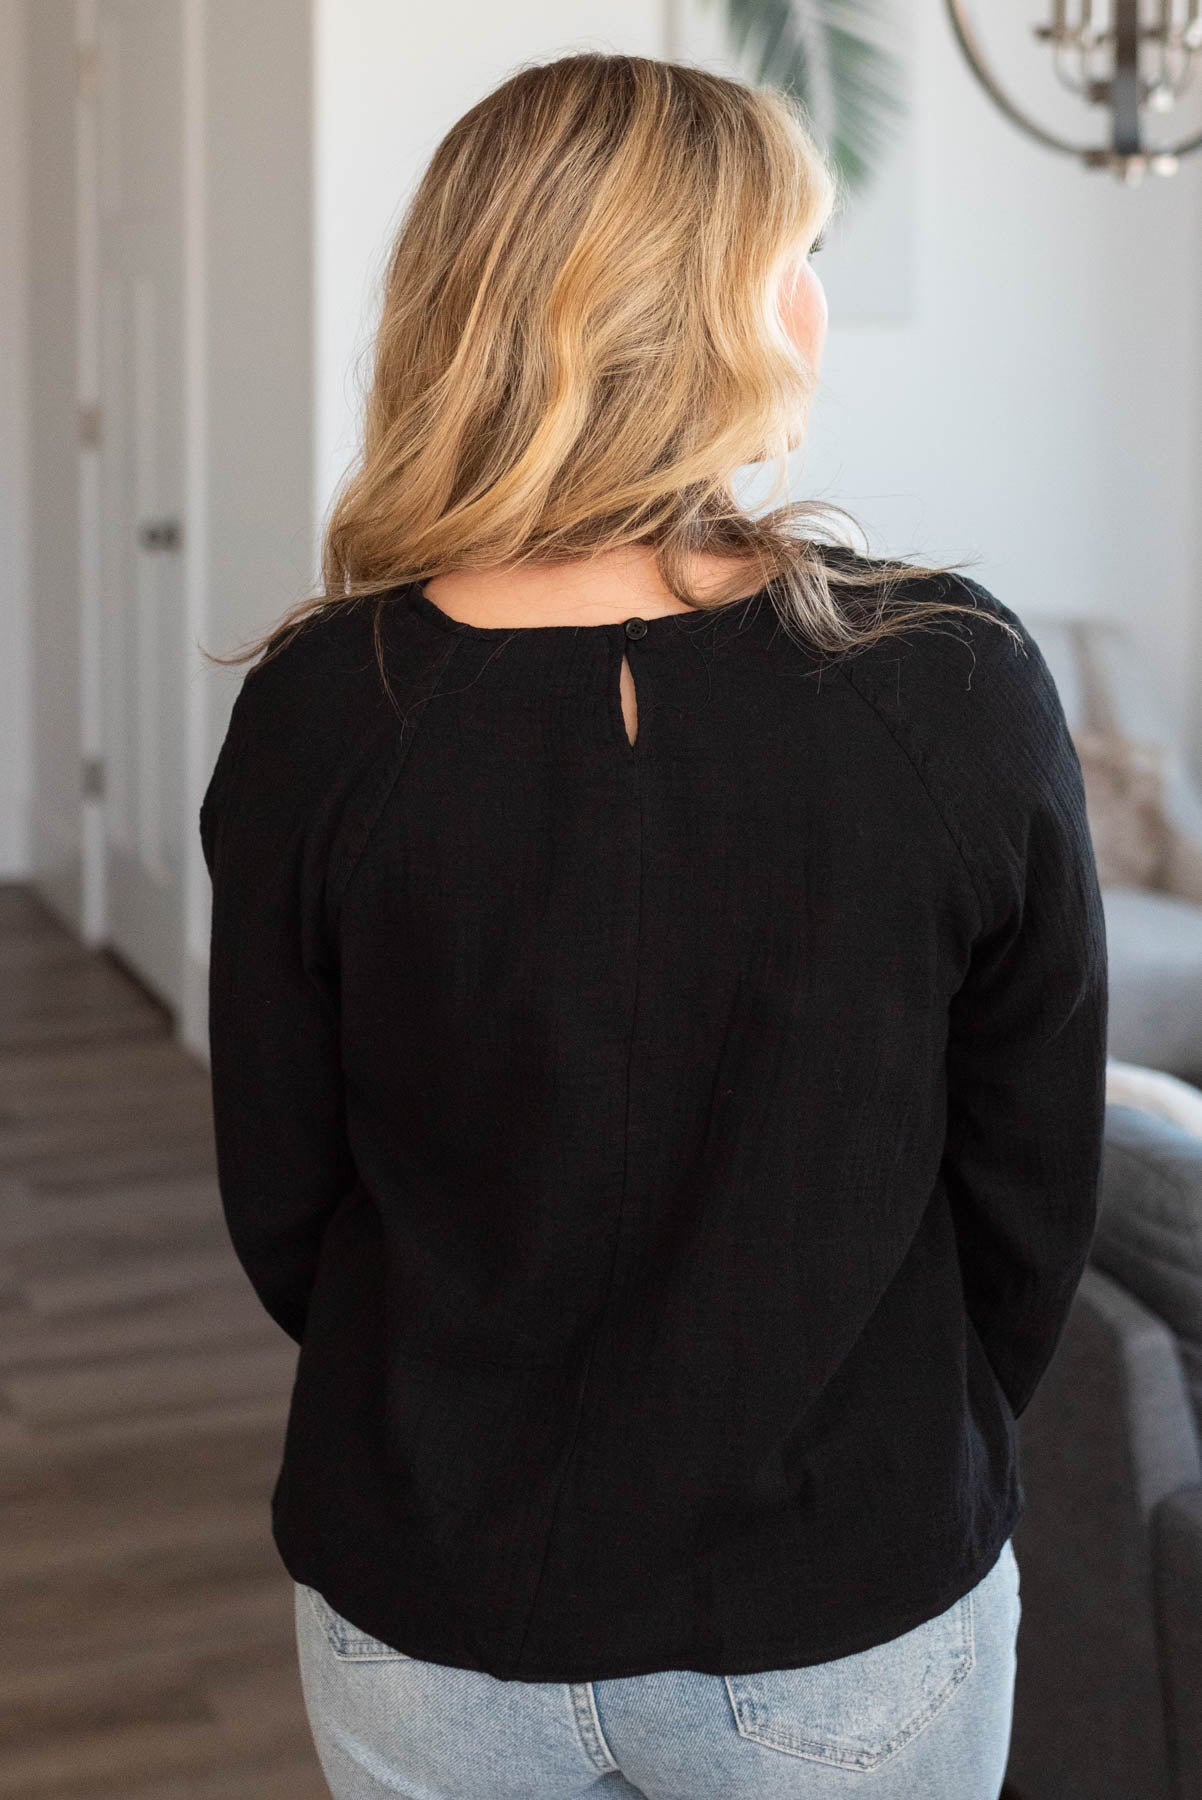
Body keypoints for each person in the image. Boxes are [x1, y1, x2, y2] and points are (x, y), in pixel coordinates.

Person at [199, 51, 1108, 1800]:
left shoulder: (329, 706)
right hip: (845, 1595)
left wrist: (462, 1396)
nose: (817, 312)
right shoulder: (949, 687)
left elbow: (285, 1196)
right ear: (715, 310)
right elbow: (1030, 1189)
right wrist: (887, 1432)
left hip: (432, 1599)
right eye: (803, 257)